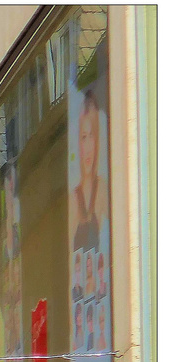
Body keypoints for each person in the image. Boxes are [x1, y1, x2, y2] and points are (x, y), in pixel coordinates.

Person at [72, 86, 108, 254]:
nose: (87, 147)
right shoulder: (73, 199)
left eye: (91, 136)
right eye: (83, 137)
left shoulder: (103, 190)